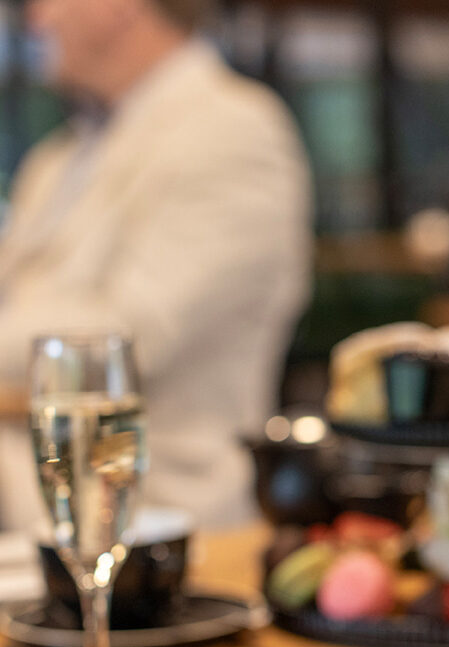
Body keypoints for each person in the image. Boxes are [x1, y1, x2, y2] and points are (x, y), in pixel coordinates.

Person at [0, 0, 312, 529]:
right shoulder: (57, 159)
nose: (37, 20)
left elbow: (125, 343)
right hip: (34, 496)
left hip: (152, 515)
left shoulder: (232, 131)